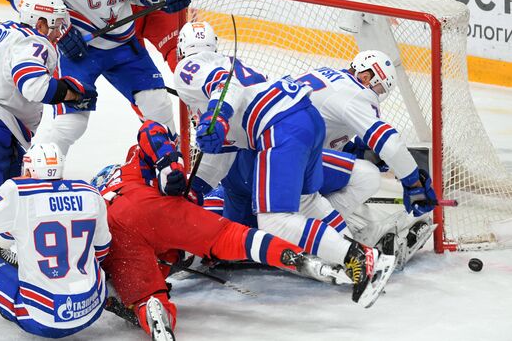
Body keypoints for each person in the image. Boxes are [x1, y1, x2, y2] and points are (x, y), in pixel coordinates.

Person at [173, 21, 395, 294]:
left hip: (274, 139)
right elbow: (224, 151)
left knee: (274, 221)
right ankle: (358, 254)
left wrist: (216, 119)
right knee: (305, 203)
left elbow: (226, 88)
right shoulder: (231, 63)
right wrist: (195, 188)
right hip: (288, 133)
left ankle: (355, 256)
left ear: (181, 49)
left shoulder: (188, 69)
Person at [89, 120, 361, 340]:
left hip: (116, 231)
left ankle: (151, 309)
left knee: (148, 296)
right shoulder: (131, 164)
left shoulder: (95, 196)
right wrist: (168, 163)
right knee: (231, 236)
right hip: (154, 208)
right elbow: (151, 128)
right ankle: (300, 258)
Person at [202, 50, 438, 269]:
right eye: (378, 89)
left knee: (242, 230)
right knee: (367, 175)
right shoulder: (354, 92)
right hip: (276, 156)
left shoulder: (325, 77)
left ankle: (317, 235)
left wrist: (356, 150)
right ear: (366, 76)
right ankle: (338, 242)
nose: (377, 96)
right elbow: (390, 143)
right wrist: (413, 183)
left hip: (249, 161)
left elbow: (322, 140)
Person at [11, 0, 191, 155]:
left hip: (123, 44)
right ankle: (36, 171)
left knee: (157, 104)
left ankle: (169, 166)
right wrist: (62, 29)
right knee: (71, 122)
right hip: (78, 51)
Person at [0, 143, 111, 338]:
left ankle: (15, 302)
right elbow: (101, 249)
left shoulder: (18, 191)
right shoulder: (89, 191)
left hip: (42, 319)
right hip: (92, 308)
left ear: (30, 168)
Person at [0, 0, 96, 202]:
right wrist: (74, 94)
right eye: (57, 25)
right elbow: (34, 87)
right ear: (40, 24)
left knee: (7, 205)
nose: (59, 32)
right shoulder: (34, 42)